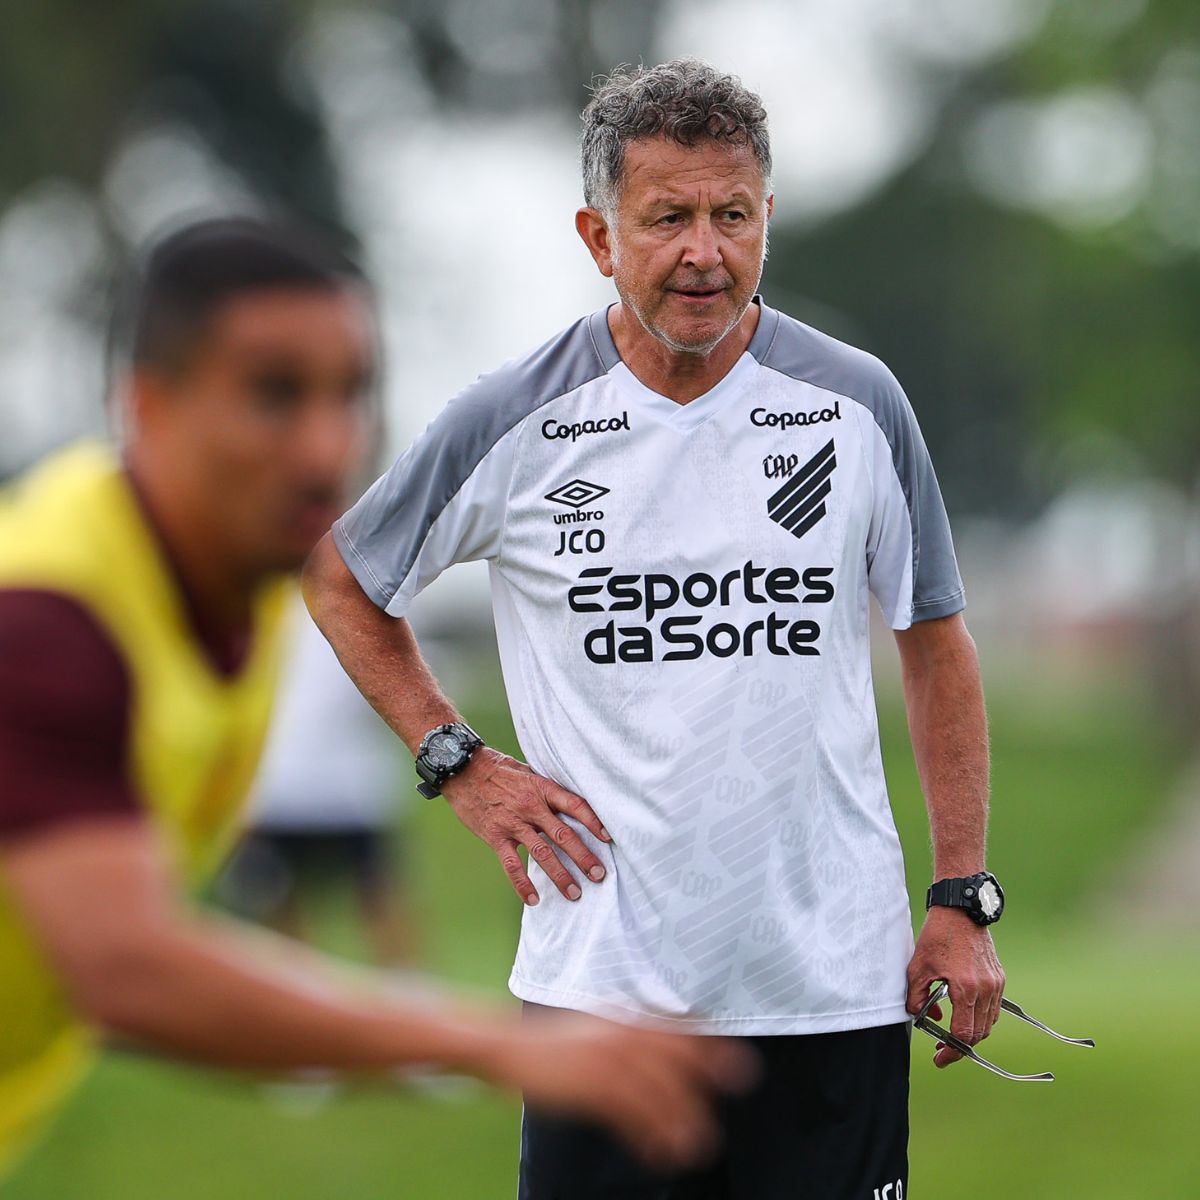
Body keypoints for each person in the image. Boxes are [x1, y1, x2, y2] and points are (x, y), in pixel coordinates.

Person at [304, 58, 1007, 1199]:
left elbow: (935, 640)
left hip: (829, 990)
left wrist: (962, 897)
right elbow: (342, 581)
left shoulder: (858, 404)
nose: (704, 251)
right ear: (599, 236)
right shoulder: (515, 419)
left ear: (766, 220)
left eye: (732, 216)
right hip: (602, 1004)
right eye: (667, 217)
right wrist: (461, 762)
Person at [0, 217, 749, 1181]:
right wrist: (494, 1044)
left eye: (350, 395)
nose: (325, 449)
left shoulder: (238, 572)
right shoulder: (51, 626)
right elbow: (127, 970)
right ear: (147, 403)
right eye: (274, 395)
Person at [220, 593, 419, 967]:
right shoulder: (257, 597)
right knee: (281, 907)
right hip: (276, 785)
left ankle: (410, 997)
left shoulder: (365, 588)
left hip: (348, 784)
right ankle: (301, 1007)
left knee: (377, 898)